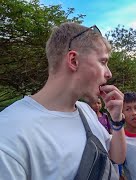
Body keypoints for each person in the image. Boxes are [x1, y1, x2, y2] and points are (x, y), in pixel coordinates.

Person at [0, 22, 126, 179]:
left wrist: (116, 121)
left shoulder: (85, 111)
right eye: (103, 62)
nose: (109, 73)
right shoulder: (8, 137)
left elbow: (117, 158)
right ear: (73, 60)